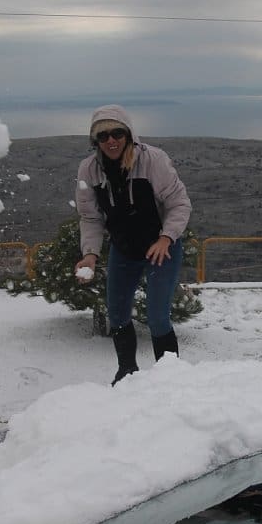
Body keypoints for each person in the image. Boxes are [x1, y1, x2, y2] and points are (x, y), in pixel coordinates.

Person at [74, 104, 192, 385]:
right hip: (124, 249)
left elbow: (179, 204)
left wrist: (166, 238)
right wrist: (89, 255)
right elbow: (90, 217)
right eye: (103, 136)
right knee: (117, 314)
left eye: (117, 133)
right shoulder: (89, 170)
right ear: (95, 141)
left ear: (128, 134)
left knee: (157, 317)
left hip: (160, 247)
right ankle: (126, 374)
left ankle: (171, 379)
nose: (111, 141)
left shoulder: (153, 161)